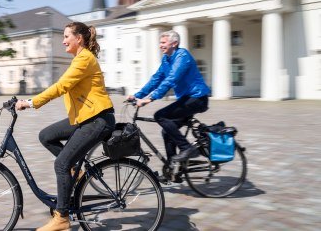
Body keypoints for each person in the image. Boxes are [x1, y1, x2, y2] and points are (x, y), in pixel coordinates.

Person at [16, 21, 115, 231]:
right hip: (85, 117)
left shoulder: (85, 59)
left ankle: (62, 218)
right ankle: (74, 170)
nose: (63, 41)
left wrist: (30, 103)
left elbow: (61, 86)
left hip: (97, 120)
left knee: (60, 164)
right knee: (46, 136)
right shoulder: (80, 59)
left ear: (78, 38)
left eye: (66, 36)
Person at [127, 30, 210, 163]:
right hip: (186, 99)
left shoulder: (182, 56)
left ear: (174, 43)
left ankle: (187, 148)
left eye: (163, 42)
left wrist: (150, 98)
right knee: (167, 131)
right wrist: (137, 95)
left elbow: (172, 79)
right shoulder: (166, 59)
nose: (160, 45)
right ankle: (174, 168)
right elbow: (156, 79)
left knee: (160, 116)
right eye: (160, 42)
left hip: (197, 98)